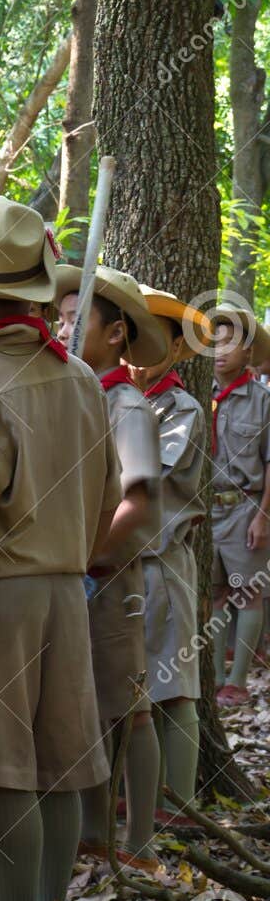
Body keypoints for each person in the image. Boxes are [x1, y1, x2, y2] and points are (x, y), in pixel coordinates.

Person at [0, 198, 117, 901]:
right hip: (66, 590)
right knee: (62, 760)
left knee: (5, 764)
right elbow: (106, 504)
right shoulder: (79, 379)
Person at [54, 264, 168, 875]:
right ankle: (95, 834)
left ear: (117, 334)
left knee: (130, 703)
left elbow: (139, 497)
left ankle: (142, 843)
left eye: (77, 320)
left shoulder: (124, 403)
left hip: (109, 575)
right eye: (60, 318)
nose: (63, 329)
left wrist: (88, 552)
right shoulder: (74, 395)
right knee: (88, 705)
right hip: (75, 573)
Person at [130, 289, 211, 822]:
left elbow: (146, 482)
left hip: (159, 561)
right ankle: (141, 807)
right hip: (117, 569)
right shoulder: (112, 399)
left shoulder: (178, 409)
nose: (140, 347)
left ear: (178, 347)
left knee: (173, 685)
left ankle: (180, 810)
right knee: (134, 686)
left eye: (156, 336)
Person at [205, 301, 270, 710]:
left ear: (249, 351)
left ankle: (237, 679)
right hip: (204, 507)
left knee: (246, 593)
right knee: (211, 593)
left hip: (245, 506)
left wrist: (264, 515)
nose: (220, 349)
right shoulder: (199, 391)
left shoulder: (262, 400)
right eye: (214, 341)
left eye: (230, 341)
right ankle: (211, 675)